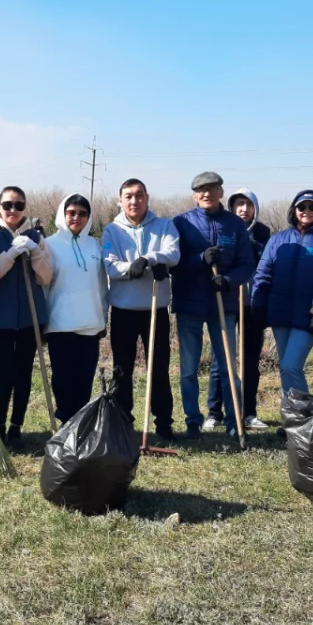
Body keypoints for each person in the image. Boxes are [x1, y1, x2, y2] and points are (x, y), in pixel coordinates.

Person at [172, 172, 256, 439]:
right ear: (194, 195)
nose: (206, 194)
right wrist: (200, 258)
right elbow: (174, 263)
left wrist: (228, 281)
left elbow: (247, 264)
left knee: (229, 366)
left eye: (212, 189)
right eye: (200, 190)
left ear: (221, 192)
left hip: (224, 305)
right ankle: (193, 422)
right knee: (188, 369)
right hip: (189, 306)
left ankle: (234, 423)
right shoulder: (182, 223)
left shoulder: (234, 225)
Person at [0, 186, 54, 445]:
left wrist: (34, 252)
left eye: (19, 206)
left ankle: (16, 425)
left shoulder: (35, 237)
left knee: (24, 372)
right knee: (6, 371)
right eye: (8, 205)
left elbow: (46, 276)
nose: (13, 210)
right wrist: (11, 254)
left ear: (25, 208)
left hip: (31, 316)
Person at [102, 178, 180, 440]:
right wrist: (131, 268)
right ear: (120, 200)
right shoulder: (112, 230)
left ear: (147, 198)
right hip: (123, 310)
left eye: (139, 195)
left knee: (158, 368)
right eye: (128, 196)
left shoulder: (164, 225)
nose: (134, 201)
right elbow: (111, 265)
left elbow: (173, 252)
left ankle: (163, 423)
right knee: (121, 368)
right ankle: (123, 421)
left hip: (155, 309)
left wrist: (149, 258)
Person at [251, 189, 313, 401]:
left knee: (292, 365)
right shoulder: (278, 240)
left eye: (312, 207)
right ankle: (290, 418)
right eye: (302, 206)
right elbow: (263, 274)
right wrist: (259, 304)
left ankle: (304, 418)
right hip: (280, 313)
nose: (306, 211)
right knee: (285, 368)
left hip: (309, 315)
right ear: (294, 209)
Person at [206, 188, 271, 430]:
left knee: (250, 360)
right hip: (226, 302)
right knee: (220, 358)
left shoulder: (263, 233)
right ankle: (215, 412)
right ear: (232, 207)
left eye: (248, 204)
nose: (244, 209)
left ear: (255, 207)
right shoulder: (226, 229)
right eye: (239, 204)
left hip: (252, 305)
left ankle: (248, 411)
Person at [44, 194, 108, 425]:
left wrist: (103, 316)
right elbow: (43, 285)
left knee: (84, 377)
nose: (77, 217)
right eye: (72, 212)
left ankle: (81, 422)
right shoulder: (49, 244)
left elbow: (101, 284)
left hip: (90, 321)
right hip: (59, 322)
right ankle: (65, 421)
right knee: (62, 378)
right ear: (63, 213)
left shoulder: (94, 245)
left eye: (83, 213)